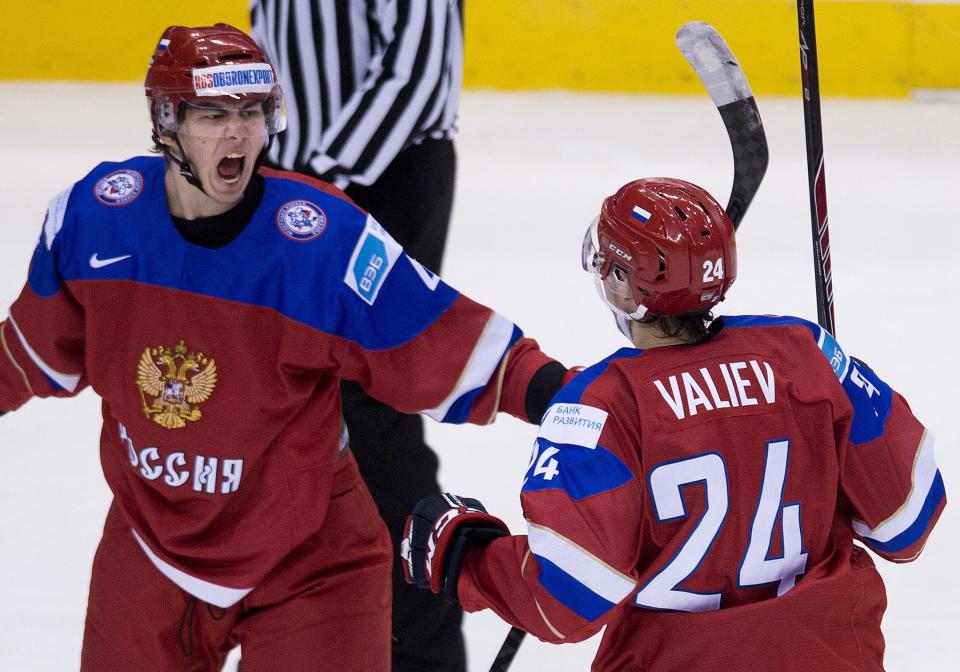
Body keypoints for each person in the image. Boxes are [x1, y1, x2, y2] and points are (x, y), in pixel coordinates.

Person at [0, 24, 568, 671]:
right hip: (151, 538)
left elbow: (435, 338)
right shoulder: (93, 219)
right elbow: (30, 349)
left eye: (251, 113)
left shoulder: (321, 239)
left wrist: (560, 393)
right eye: (213, 114)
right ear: (165, 121)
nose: (238, 134)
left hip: (311, 553)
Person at [402, 178, 946, 671]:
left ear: (621, 284)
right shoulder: (805, 352)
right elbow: (907, 524)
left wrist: (466, 556)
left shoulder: (601, 404)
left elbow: (568, 599)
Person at [248, 3, 468, 669]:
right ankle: (318, 631)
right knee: (282, 399)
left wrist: (317, 181)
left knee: (372, 409)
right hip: (297, 184)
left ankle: (423, 653)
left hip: (385, 179)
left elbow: (418, 73)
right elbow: (272, 46)